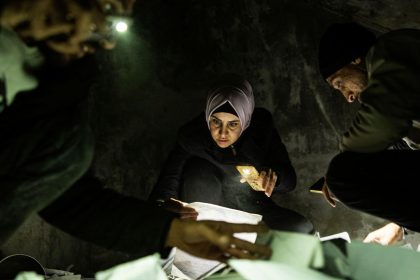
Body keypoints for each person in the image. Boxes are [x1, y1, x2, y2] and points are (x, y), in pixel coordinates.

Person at [0, 0, 271, 263]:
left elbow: (69, 197)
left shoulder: (53, 101)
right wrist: (163, 206)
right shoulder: (190, 139)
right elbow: (169, 180)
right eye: (105, 10)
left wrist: (171, 231)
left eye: (116, 21)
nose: (106, 40)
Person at [149, 74, 313, 233]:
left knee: (301, 228)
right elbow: (167, 183)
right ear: (207, 117)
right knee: (199, 170)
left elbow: (290, 181)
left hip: (251, 207)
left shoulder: (261, 129)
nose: (222, 133)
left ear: (245, 120)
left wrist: (274, 178)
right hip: (206, 211)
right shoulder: (192, 137)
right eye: (216, 122)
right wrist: (165, 205)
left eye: (233, 124)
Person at [317, 22, 420, 245]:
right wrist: (399, 227)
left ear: (355, 59)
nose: (348, 96)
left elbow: (385, 121)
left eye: (340, 84)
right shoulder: (400, 94)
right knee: (382, 148)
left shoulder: (390, 49)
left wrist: (341, 161)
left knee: (343, 174)